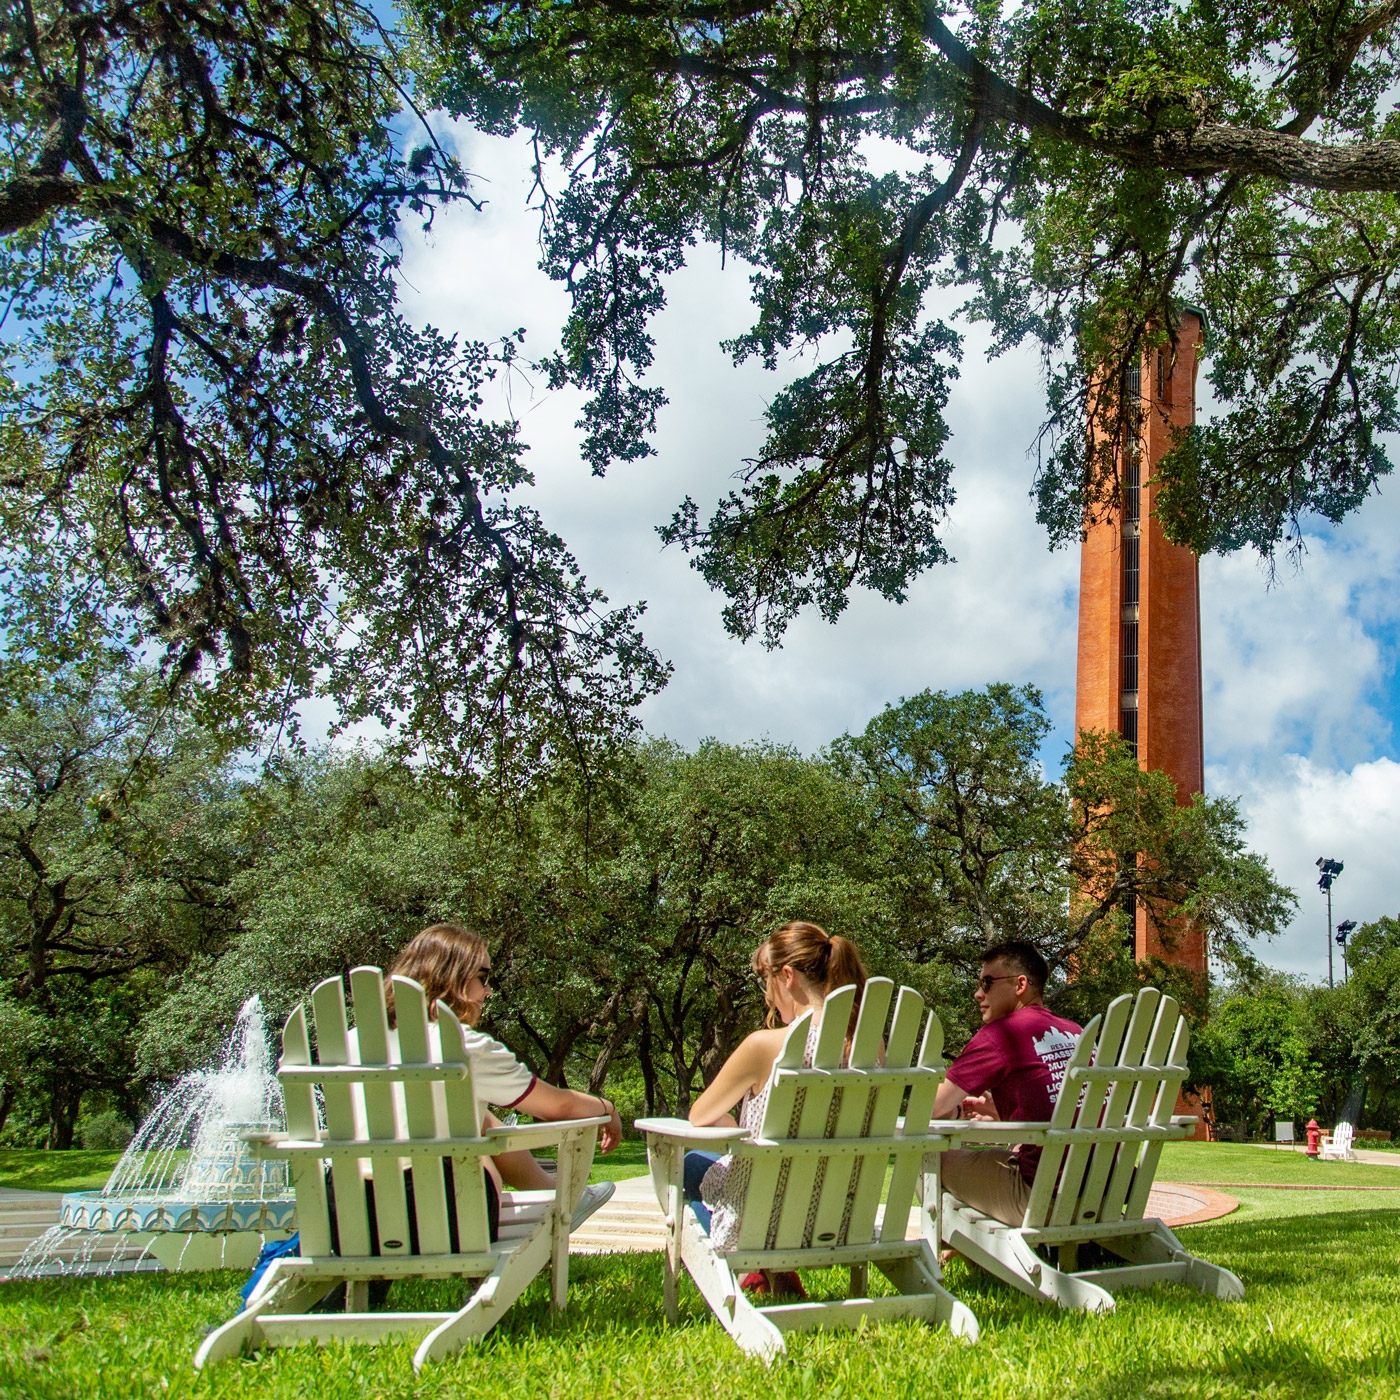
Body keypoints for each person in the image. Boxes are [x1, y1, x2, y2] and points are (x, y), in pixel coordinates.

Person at [383, 924, 622, 1222]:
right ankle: (566, 1201)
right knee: (474, 1135)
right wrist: (607, 1108)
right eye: (483, 977)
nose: (488, 990)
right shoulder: (464, 1046)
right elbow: (560, 1106)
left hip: (349, 1215)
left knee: (474, 1117)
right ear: (452, 978)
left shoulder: (355, 1042)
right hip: (442, 1215)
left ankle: (554, 1192)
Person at [684, 921, 868, 1295]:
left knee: (690, 1165)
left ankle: (753, 1272)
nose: (766, 995)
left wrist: (733, 1120)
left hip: (767, 1217)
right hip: (843, 1216)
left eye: (764, 979)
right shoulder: (869, 1046)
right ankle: (774, 1276)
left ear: (787, 976)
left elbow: (698, 1117)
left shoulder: (764, 1046)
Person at [930, 939, 1082, 1227]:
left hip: (1042, 1199)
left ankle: (948, 1249)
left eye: (987, 983)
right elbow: (1067, 1110)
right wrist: (999, 1113)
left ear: (1020, 985)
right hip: (1100, 1193)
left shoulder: (1001, 1034)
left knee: (925, 1158)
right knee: (1010, 1152)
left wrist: (955, 1112)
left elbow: (932, 1109)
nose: (977, 994)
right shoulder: (1075, 1033)